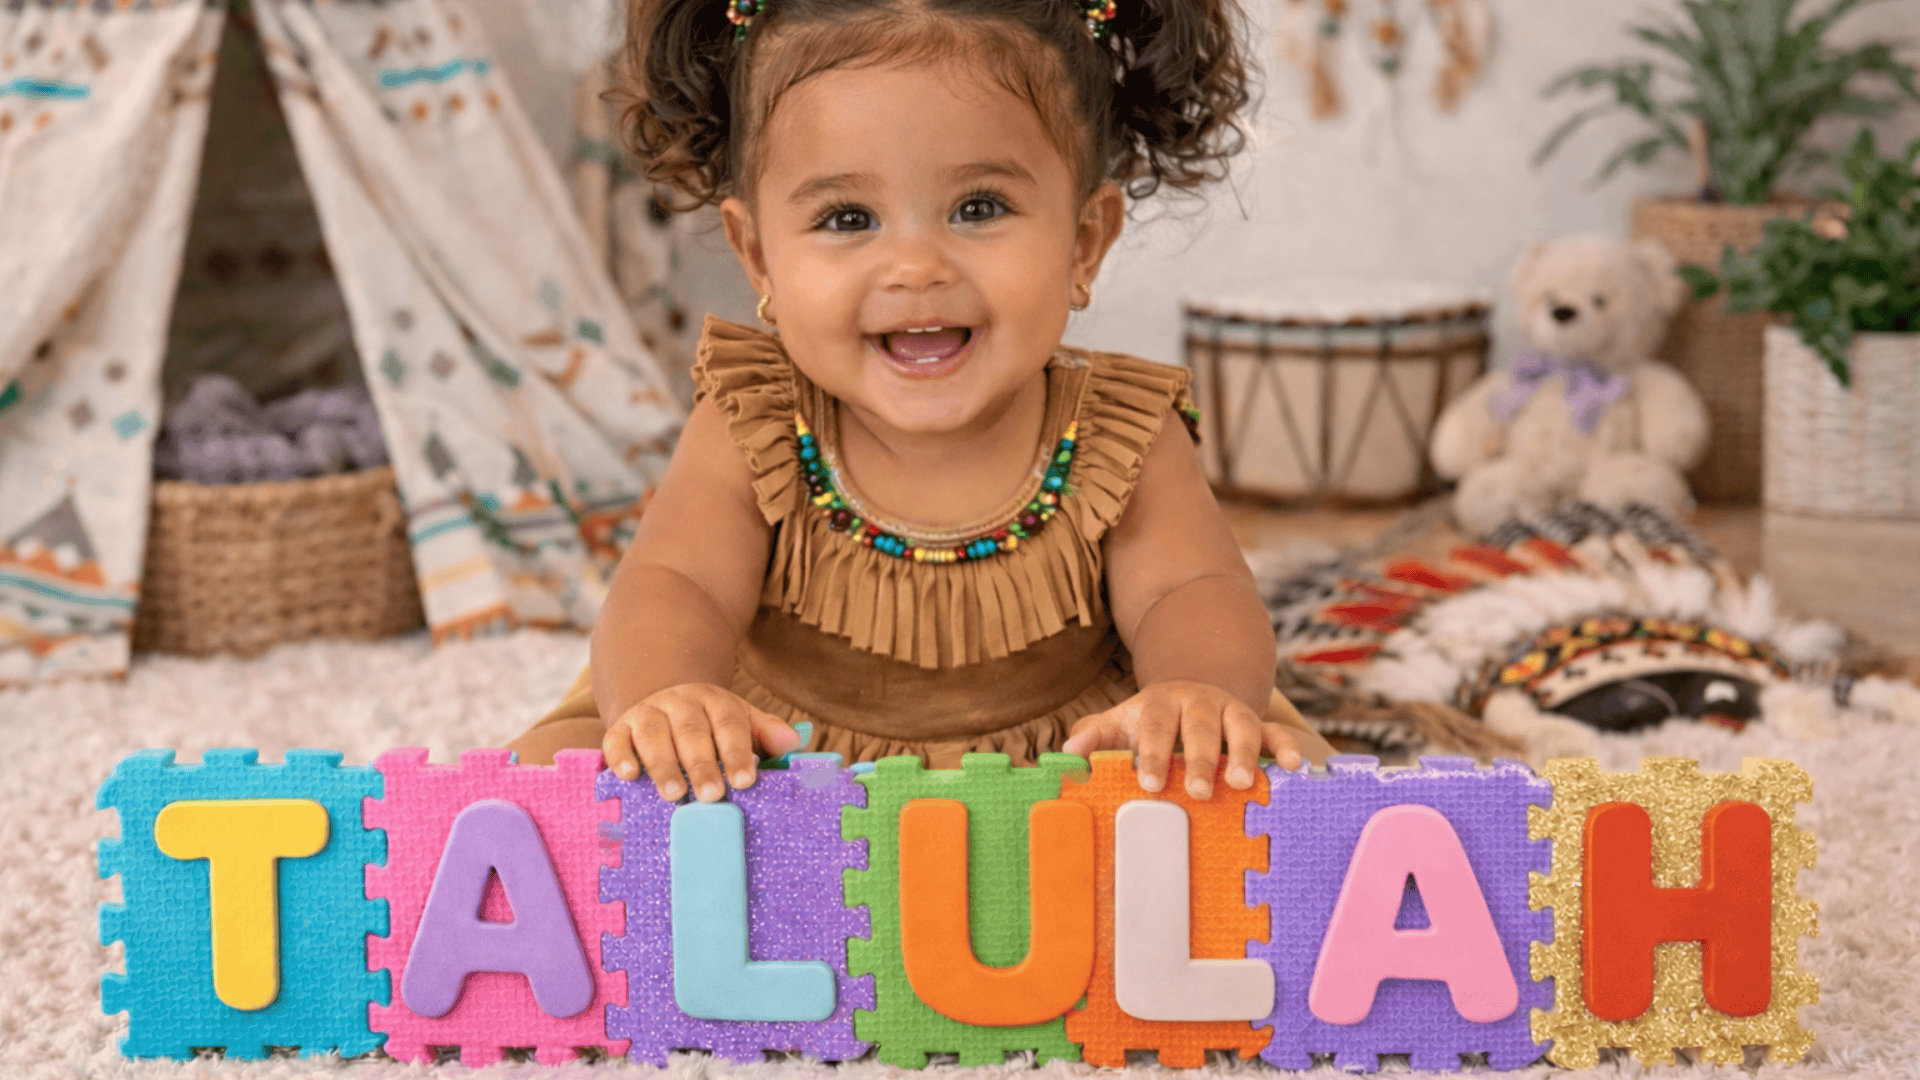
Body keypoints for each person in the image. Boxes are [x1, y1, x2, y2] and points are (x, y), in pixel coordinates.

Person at [506, 0, 1336, 800]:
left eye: (978, 208)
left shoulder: (1121, 432)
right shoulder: (751, 420)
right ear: (758, 258)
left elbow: (1190, 590)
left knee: (1261, 765)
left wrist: (1191, 690)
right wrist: (673, 697)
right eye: (846, 218)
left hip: (1072, 761)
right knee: (563, 767)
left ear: (1085, 241)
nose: (915, 267)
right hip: (778, 762)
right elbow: (674, 584)